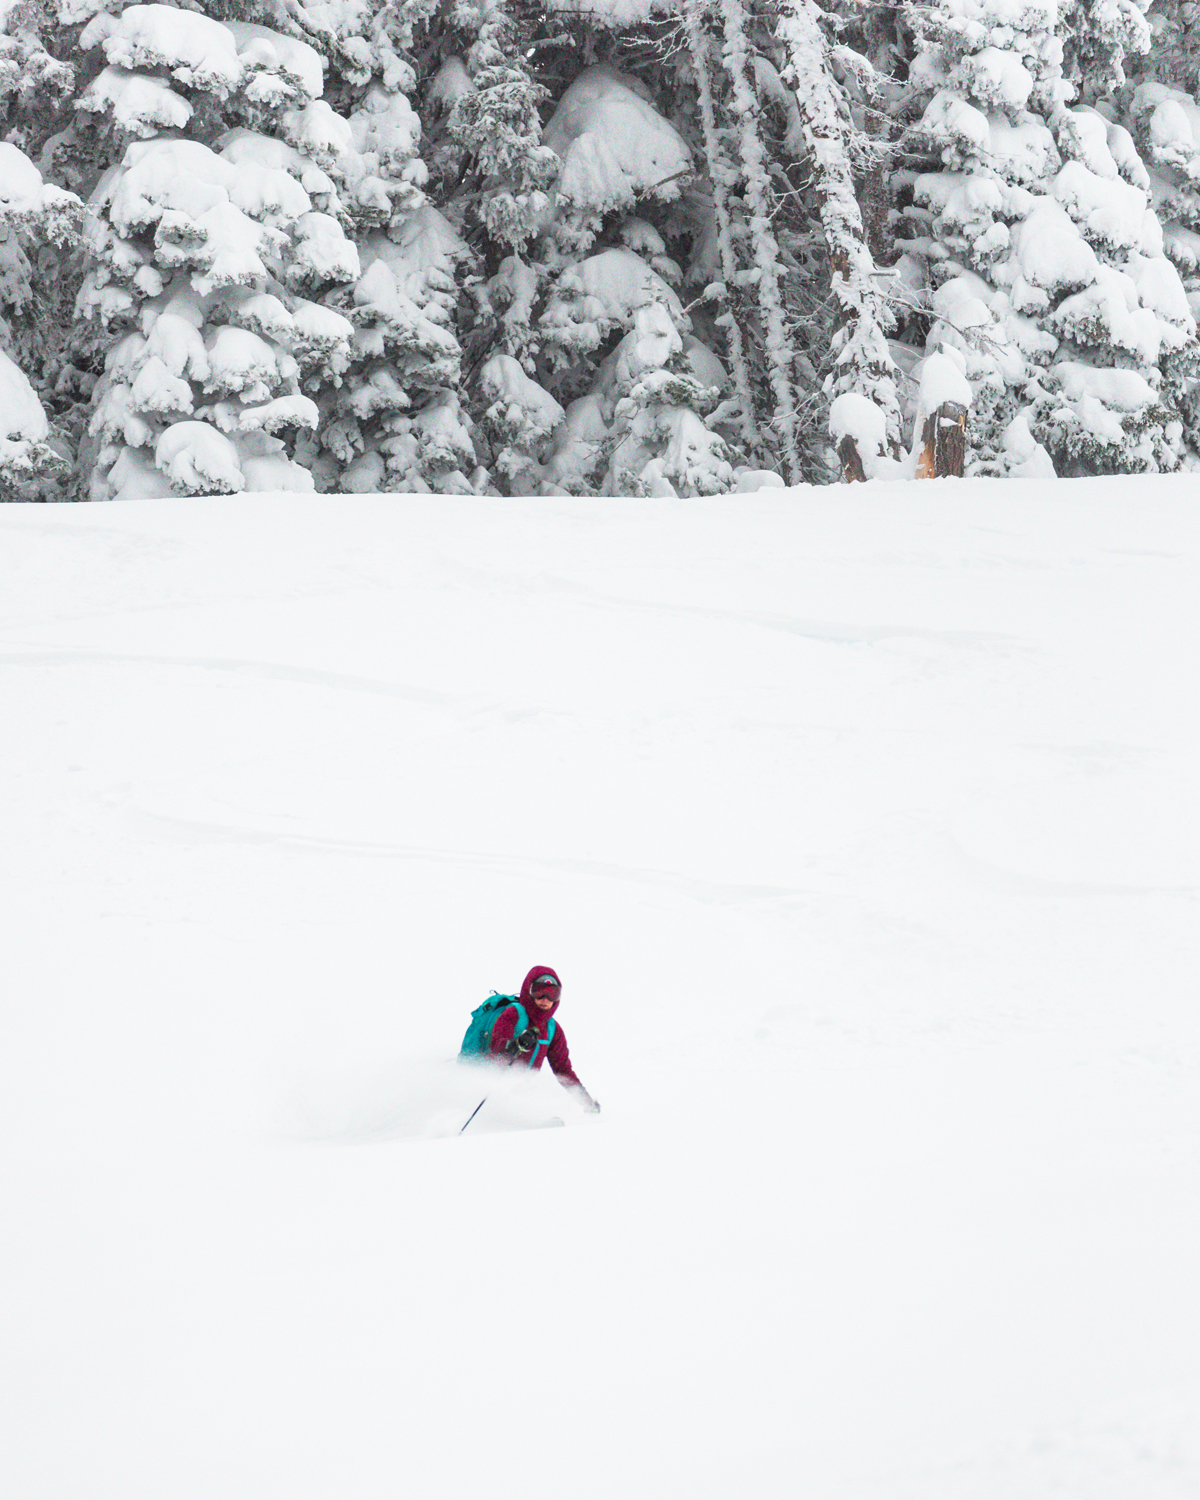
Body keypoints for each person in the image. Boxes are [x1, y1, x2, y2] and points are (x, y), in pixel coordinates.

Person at [489, 966, 600, 1113]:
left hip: (522, 1092)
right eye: (539, 992)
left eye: (552, 994)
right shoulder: (514, 1014)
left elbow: (563, 1070)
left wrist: (586, 1101)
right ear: (529, 991)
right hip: (493, 1085)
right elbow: (495, 1044)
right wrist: (516, 1044)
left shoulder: (552, 1029)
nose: (545, 1000)